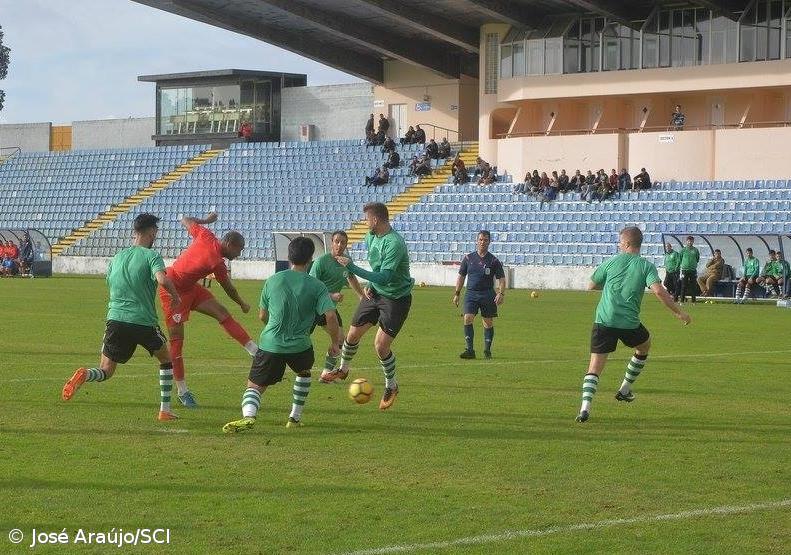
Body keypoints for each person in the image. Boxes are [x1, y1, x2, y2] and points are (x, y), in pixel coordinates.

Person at [61, 213, 182, 421]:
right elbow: (162, 279)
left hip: (115, 319)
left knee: (106, 370)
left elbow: (110, 283)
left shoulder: (117, 257)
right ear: (152, 232)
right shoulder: (151, 256)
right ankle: (165, 409)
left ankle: (86, 374)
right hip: (143, 321)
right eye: (156, 232)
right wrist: (176, 297)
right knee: (166, 359)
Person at [222, 237, 340, 433]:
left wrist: (275, 328)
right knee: (303, 373)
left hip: (271, 344)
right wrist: (335, 343)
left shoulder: (273, 280)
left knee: (254, 385)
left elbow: (262, 315)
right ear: (311, 258)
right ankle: (294, 418)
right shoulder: (317, 286)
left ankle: (249, 416)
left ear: (289, 256)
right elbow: (331, 315)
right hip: (301, 346)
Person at [575, 226, 690, 423]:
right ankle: (625, 388)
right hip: (629, 323)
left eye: (620, 242)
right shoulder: (646, 266)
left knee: (594, 366)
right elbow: (659, 291)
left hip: (604, 319)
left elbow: (592, 285)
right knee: (644, 346)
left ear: (627, 243)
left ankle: (585, 408)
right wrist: (679, 312)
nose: (619, 245)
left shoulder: (611, 262)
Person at [158, 212, 258, 408]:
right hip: (172, 290)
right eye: (240, 250)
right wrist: (242, 303)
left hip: (191, 288)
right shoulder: (216, 263)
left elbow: (184, 219)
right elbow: (229, 289)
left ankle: (255, 351)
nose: (239, 254)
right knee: (177, 342)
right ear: (230, 244)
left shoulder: (205, 234)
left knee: (222, 313)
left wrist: (205, 221)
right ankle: (182, 391)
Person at [321, 202, 414, 411]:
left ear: (375, 220)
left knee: (380, 346)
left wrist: (352, 267)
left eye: (366, 219)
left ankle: (391, 386)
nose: (364, 223)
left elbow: (386, 276)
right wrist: (370, 285)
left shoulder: (395, 243)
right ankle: (343, 370)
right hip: (376, 292)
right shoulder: (371, 237)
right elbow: (378, 269)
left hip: (396, 298)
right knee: (352, 335)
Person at [310, 231, 365, 379]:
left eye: (343, 242)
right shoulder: (321, 262)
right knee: (299, 340)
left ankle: (326, 374)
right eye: (336, 241)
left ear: (346, 245)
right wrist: (331, 295)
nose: (339, 245)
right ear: (331, 243)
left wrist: (361, 296)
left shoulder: (346, 261)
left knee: (340, 339)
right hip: (311, 308)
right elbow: (310, 288)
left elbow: (351, 277)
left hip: (329, 309)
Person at [452, 231, 506, 360]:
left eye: (485, 240)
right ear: (477, 241)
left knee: (487, 322)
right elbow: (461, 277)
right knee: (467, 318)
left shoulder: (493, 260)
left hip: (488, 294)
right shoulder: (468, 258)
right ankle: (469, 350)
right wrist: (457, 294)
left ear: (489, 242)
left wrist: (501, 293)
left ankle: (487, 350)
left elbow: (502, 279)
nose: (483, 242)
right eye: (481, 239)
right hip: (471, 293)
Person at [677, 235, 700, 303]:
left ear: (693, 242)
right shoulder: (683, 250)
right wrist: (684, 265)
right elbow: (680, 258)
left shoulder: (695, 250)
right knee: (684, 286)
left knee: (693, 286)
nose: (690, 242)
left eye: (691, 241)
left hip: (693, 270)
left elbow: (697, 258)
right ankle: (681, 301)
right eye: (688, 241)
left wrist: (693, 264)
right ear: (686, 241)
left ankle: (693, 301)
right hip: (685, 270)